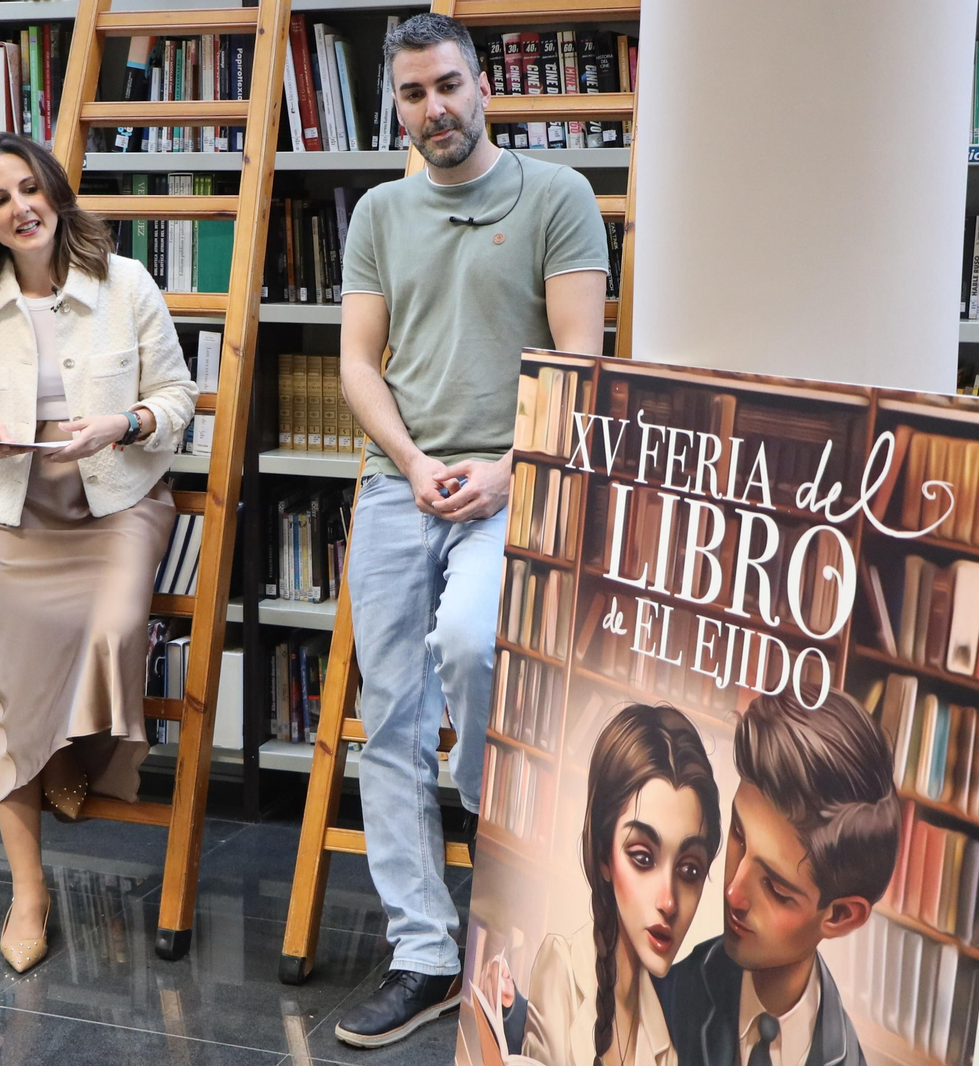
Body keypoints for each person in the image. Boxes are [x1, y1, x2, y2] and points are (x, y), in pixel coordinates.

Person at [332, 14, 610, 1047]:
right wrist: (411, 465)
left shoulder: (557, 197)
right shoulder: (378, 213)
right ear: (396, 106)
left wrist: (505, 472)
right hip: (402, 484)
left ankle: (488, 835)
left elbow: (580, 362)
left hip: (519, 481)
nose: (433, 109)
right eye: (412, 95)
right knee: (389, 714)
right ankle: (424, 955)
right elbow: (362, 361)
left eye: (447, 85)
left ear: (481, 83)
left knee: (471, 643)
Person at [0, 131, 198, 974]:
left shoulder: (124, 284)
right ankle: (28, 893)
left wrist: (121, 423)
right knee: (12, 703)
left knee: (120, 627)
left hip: (119, 501)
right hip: (22, 515)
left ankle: (75, 762)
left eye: (28, 189)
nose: (20, 208)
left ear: (54, 191)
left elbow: (178, 395)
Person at [652, 688, 901, 1066]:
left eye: (776, 888)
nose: (733, 891)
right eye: (738, 834)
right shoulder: (663, 995)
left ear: (840, 916)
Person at [474, 704, 720, 1066]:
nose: (669, 901)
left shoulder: (667, 1042)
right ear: (605, 855)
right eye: (642, 858)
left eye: (689, 870)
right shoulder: (561, 968)